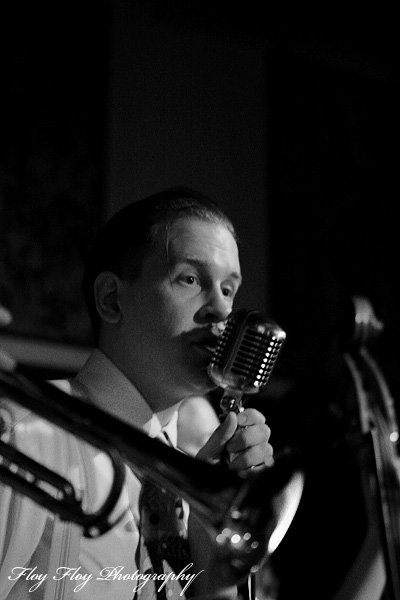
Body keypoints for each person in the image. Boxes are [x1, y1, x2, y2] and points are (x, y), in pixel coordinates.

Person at [0, 187, 274, 600]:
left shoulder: (189, 479)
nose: (221, 311)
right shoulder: (29, 435)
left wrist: (210, 577)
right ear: (111, 299)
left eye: (229, 290)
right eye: (190, 279)